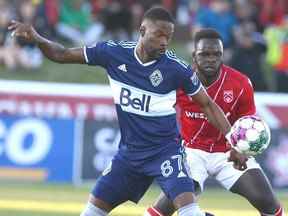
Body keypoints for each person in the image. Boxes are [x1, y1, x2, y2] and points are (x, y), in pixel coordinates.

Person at [8, 8, 246, 216]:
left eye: (168, 37)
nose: (164, 42)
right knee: (90, 212)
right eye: (159, 35)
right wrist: (37, 38)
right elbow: (61, 54)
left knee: (188, 211)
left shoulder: (177, 69)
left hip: (166, 153)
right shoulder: (113, 53)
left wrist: (233, 141)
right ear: (142, 30)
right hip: (129, 156)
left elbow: (208, 105)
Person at [144, 28, 285, 216]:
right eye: (205, 54)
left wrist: (242, 149)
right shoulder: (179, 80)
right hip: (191, 152)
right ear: (194, 55)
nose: (211, 59)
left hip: (229, 152)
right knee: (166, 207)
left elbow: (247, 123)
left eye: (216, 54)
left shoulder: (241, 84)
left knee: (269, 204)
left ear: (223, 55)